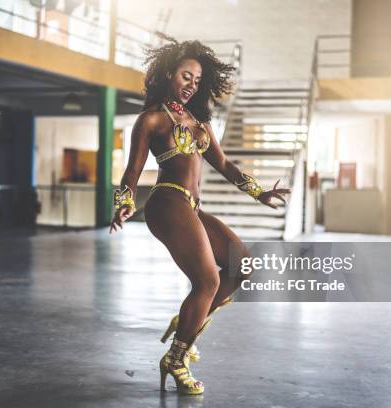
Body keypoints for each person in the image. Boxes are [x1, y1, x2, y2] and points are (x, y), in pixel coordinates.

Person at [109, 38, 290, 395]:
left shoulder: (200, 124)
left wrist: (259, 192)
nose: (191, 84)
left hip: (190, 205)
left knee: (242, 266)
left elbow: (222, 164)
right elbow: (133, 169)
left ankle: (189, 323)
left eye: (197, 79)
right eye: (185, 76)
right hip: (166, 202)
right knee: (207, 282)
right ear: (167, 75)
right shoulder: (152, 119)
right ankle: (176, 358)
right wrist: (125, 201)